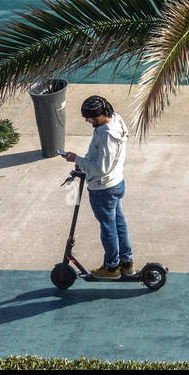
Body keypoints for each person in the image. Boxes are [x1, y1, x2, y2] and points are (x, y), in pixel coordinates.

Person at [62, 95, 133, 279]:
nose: (87, 120)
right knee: (119, 223)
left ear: (101, 115)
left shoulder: (106, 135)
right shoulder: (116, 120)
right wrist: (84, 162)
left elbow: (100, 169)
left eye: (90, 117)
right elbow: (101, 160)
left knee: (108, 228)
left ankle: (111, 268)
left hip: (104, 189)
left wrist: (77, 159)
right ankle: (126, 263)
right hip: (116, 182)